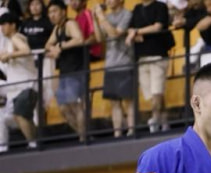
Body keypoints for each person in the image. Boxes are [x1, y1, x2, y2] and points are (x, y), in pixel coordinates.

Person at [126, 0, 173, 133]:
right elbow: (130, 28)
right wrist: (134, 33)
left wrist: (137, 32)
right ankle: (164, 121)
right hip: (141, 57)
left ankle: (155, 119)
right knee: (152, 94)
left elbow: (158, 26)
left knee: (157, 91)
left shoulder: (160, 6)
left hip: (157, 55)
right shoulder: (137, 8)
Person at [44, 0, 86, 142]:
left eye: (55, 11)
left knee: (75, 105)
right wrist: (54, 48)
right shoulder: (57, 28)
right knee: (63, 108)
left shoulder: (70, 24)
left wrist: (61, 46)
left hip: (77, 70)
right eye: (50, 12)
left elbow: (79, 39)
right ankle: (82, 134)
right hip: (64, 72)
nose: (52, 15)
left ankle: (83, 137)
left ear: (63, 11)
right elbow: (47, 44)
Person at [94, 0, 135, 137]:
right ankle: (117, 132)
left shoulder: (127, 14)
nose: (109, 1)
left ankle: (132, 130)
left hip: (125, 61)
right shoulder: (107, 18)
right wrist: (95, 19)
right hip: (110, 64)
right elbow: (99, 38)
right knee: (114, 101)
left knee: (128, 99)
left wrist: (101, 17)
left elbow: (115, 33)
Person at [0, 11, 38, 151]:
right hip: (20, 87)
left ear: (13, 25)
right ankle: (35, 142)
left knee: (20, 115)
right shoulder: (10, 42)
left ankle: (33, 144)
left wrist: (9, 55)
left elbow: (26, 50)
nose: (2, 28)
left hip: (25, 85)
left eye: (4, 24)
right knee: (24, 117)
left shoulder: (16, 37)